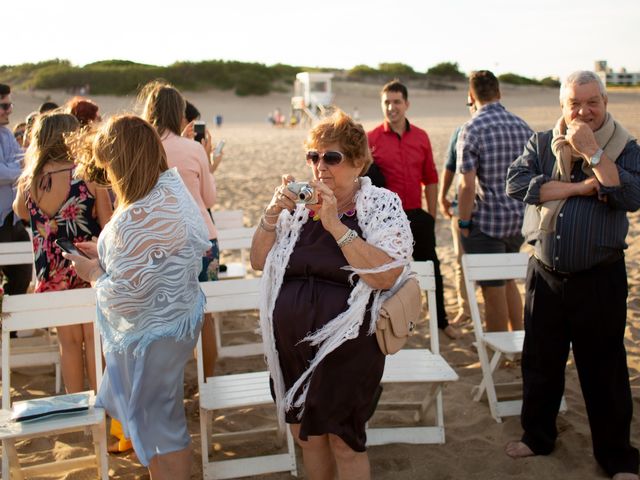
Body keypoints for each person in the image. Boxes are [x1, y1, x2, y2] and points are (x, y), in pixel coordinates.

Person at [251, 109, 413, 480]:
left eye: (331, 157)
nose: (320, 166)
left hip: (349, 346)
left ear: (357, 163)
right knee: (307, 437)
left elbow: (387, 274)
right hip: (290, 345)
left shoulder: (380, 204)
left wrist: (335, 226)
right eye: (313, 156)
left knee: (344, 439)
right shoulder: (297, 207)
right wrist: (272, 213)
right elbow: (259, 260)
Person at [505, 71, 640, 480]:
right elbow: (518, 184)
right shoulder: (542, 143)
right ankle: (538, 436)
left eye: (591, 102)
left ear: (604, 102)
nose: (582, 111)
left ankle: (616, 456)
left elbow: (631, 196)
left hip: (599, 277)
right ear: (562, 106)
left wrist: (595, 154)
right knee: (540, 362)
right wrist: (584, 188)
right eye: (573, 104)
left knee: (604, 369)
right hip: (545, 274)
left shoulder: (626, 147)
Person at [64, 114, 210, 480]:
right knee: (160, 420)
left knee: (161, 424)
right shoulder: (169, 193)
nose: (107, 175)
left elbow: (125, 298)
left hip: (153, 337)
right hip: (176, 326)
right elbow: (162, 257)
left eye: (108, 166)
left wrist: (94, 273)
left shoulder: (132, 219)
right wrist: (106, 253)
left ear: (121, 162)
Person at [13, 112, 112, 393]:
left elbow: (20, 211)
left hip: (51, 274)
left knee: (67, 344)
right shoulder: (85, 175)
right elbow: (107, 224)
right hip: (86, 267)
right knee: (94, 341)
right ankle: (101, 405)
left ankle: (78, 408)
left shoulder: (30, 181)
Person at [367, 79, 460, 339]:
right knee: (386, 274)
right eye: (386, 102)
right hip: (386, 221)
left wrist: (431, 215)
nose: (391, 107)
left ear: (406, 104)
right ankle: (384, 324)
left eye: (397, 102)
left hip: (418, 216)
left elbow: (430, 177)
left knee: (431, 267)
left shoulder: (421, 137)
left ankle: (441, 321)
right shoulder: (371, 139)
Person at [140, 81, 219, 378]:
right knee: (205, 317)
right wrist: (207, 159)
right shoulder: (193, 148)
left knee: (162, 321)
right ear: (180, 113)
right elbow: (209, 199)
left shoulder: (143, 147)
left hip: (159, 243)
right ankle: (206, 382)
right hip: (202, 238)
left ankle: (168, 389)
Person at [456, 70, 532, 332]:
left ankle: (499, 354)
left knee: (492, 290)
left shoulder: (472, 128)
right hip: (518, 221)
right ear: (499, 93)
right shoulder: (522, 126)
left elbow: (466, 185)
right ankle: (518, 341)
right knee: (508, 280)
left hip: (488, 223)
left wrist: (464, 221)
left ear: (471, 96)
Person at [438, 97, 477, 325]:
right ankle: (465, 307)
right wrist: (443, 196)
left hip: (466, 208)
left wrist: (443, 196)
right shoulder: (460, 132)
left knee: (463, 260)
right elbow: (449, 167)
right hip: (497, 212)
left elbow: (451, 170)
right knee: (463, 261)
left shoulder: (463, 132)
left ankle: (468, 309)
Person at [0, 84, 32, 302]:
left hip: (12, 219)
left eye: (10, 105)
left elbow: (23, 159)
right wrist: (19, 169)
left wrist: (14, 167)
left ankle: (11, 330)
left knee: (22, 274)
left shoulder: (6, 134)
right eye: (4, 106)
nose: (9, 110)